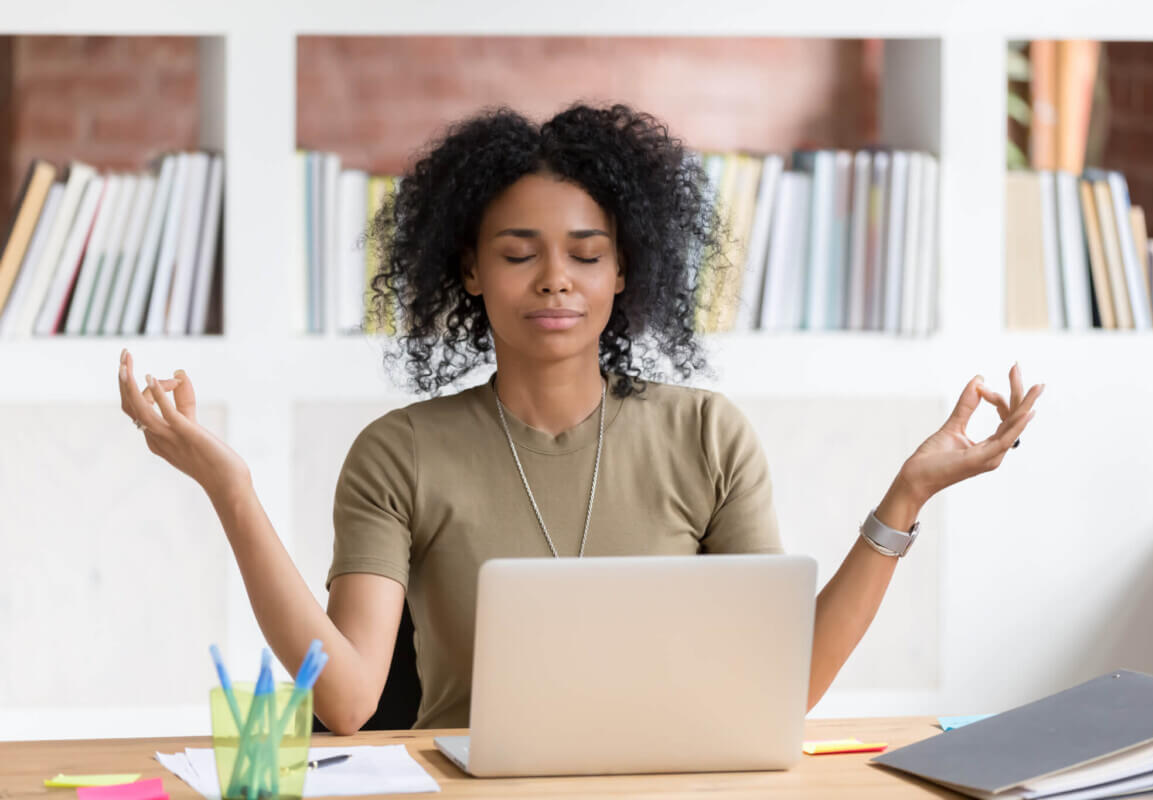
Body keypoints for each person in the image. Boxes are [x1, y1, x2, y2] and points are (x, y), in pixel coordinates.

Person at [116, 102, 1043, 735]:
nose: (555, 278)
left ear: (624, 271)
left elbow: (781, 689)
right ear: (470, 271)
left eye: (586, 254)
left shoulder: (708, 437)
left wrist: (908, 494)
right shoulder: (399, 453)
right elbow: (351, 702)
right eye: (519, 253)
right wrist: (229, 489)